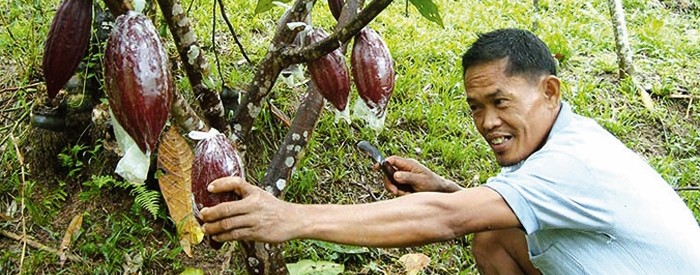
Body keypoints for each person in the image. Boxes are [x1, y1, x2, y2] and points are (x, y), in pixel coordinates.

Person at [200, 28, 700, 274]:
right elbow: (472, 211)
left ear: (550, 91)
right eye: (476, 106)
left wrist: (289, 217)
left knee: (482, 228)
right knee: (494, 238)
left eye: (501, 102)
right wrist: (446, 188)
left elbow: (446, 219)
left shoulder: (574, 163)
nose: (487, 122)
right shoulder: (568, 141)